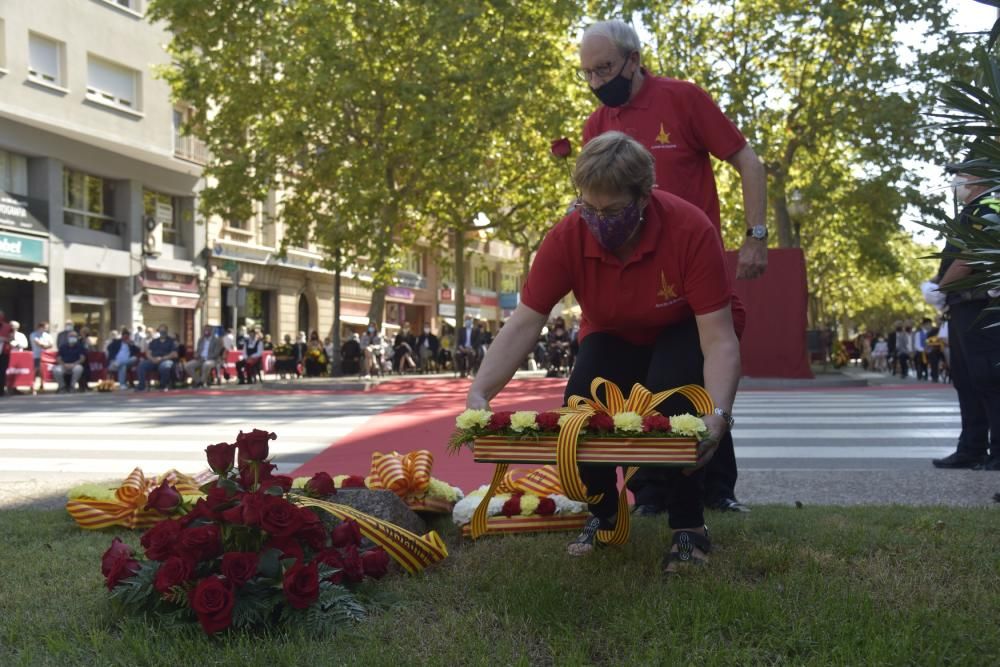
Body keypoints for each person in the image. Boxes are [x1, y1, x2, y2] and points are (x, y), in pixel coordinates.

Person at [466, 133, 740, 573]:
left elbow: (719, 339)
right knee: (580, 413)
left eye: (612, 212)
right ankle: (605, 514)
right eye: (588, 209)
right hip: (612, 333)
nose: (598, 221)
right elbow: (526, 321)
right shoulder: (567, 236)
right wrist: (481, 391)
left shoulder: (690, 229)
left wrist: (719, 414)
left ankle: (688, 526)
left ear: (644, 197)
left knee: (678, 405)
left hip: (682, 328)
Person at [580, 20, 763, 514]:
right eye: (588, 74)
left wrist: (756, 235)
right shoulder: (597, 125)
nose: (598, 83)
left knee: (692, 374)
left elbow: (748, 159)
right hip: (637, 276)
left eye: (605, 69)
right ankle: (651, 494)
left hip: (694, 265)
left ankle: (717, 489)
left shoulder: (683, 99)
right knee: (651, 380)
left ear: (633, 60)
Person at [932, 170, 1000, 470]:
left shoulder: (987, 207)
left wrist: (941, 288)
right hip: (964, 306)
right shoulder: (974, 209)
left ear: (979, 179)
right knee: (967, 379)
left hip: (979, 305)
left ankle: (996, 452)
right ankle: (971, 447)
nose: (957, 180)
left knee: (986, 378)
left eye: (963, 174)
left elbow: (969, 257)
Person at [137, 324, 178, 391]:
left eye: (164, 331)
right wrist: (152, 359)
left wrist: (162, 358)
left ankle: (163, 385)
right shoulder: (154, 341)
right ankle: (141, 386)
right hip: (154, 360)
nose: (162, 333)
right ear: (158, 332)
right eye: (161, 331)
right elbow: (148, 353)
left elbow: (175, 354)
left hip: (166, 360)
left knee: (165, 366)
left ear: (167, 331)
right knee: (141, 365)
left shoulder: (172, 341)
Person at [29, 322, 53, 393]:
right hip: (36, 356)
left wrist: (44, 345)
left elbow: (51, 344)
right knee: (35, 370)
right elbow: (38, 343)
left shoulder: (47, 335)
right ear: (40, 327)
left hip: (45, 356)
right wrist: (45, 345)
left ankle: (42, 385)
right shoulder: (33, 334)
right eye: (45, 327)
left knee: (42, 371)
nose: (46, 329)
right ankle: (32, 386)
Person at [0, 310, 10, 397]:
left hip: (4, 353)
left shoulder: (7, 326)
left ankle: (1, 390)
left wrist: (5, 339)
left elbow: (11, 339)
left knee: (2, 371)